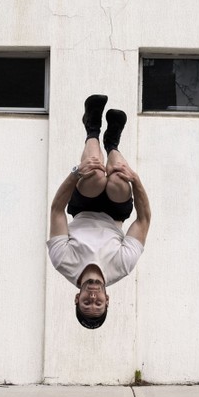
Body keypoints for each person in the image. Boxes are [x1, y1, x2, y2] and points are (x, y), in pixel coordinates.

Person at [47, 94, 152, 329]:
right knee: (117, 181)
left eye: (86, 303)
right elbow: (143, 220)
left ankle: (92, 127)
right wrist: (136, 181)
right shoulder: (122, 265)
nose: (93, 298)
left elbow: (56, 211)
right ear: (108, 300)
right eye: (98, 304)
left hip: (83, 208)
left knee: (95, 175)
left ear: (77, 298)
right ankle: (112, 143)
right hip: (114, 214)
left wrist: (76, 173)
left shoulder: (62, 261)